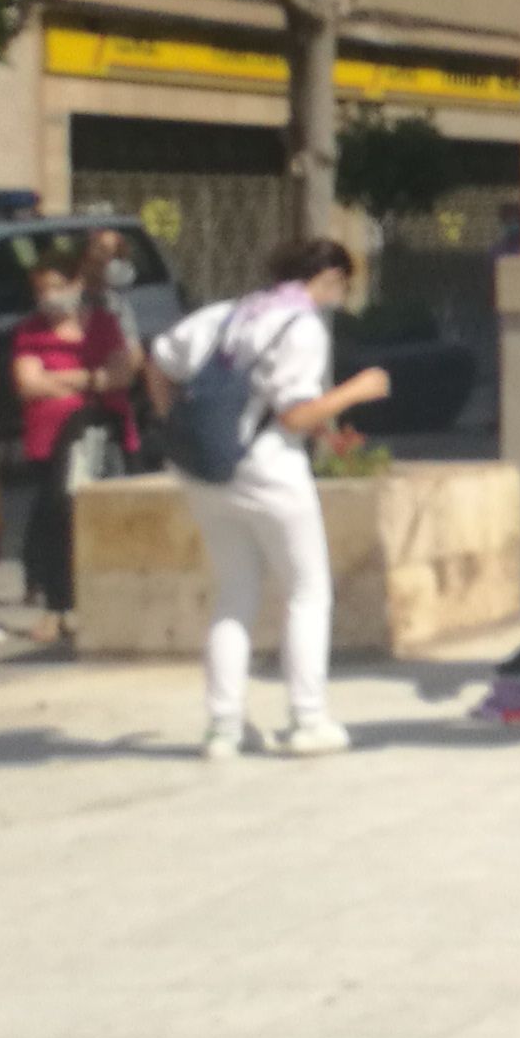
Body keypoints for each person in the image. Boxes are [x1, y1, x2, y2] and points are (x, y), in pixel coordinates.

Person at [143, 239, 393, 756]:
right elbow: (296, 415)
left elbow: (159, 361)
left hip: (208, 470)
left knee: (235, 591)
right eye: (341, 284)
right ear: (325, 278)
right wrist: (358, 390)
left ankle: (223, 727)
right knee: (307, 592)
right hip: (271, 468)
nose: (340, 295)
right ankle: (307, 719)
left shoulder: (226, 313)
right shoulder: (299, 328)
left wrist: (174, 423)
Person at [9, 244, 143, 645]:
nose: (49, 297)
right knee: (55, 519)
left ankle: (99, 604)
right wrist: (90, 378)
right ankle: (57, 604)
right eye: (41, 290)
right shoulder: (31, 331)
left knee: (107, 520)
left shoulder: (101, 323)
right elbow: (27, 383)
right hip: (49, 439)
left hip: (104, 434)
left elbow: (120, 374)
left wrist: (65, 379)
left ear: (77, 284)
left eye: (56, 287)